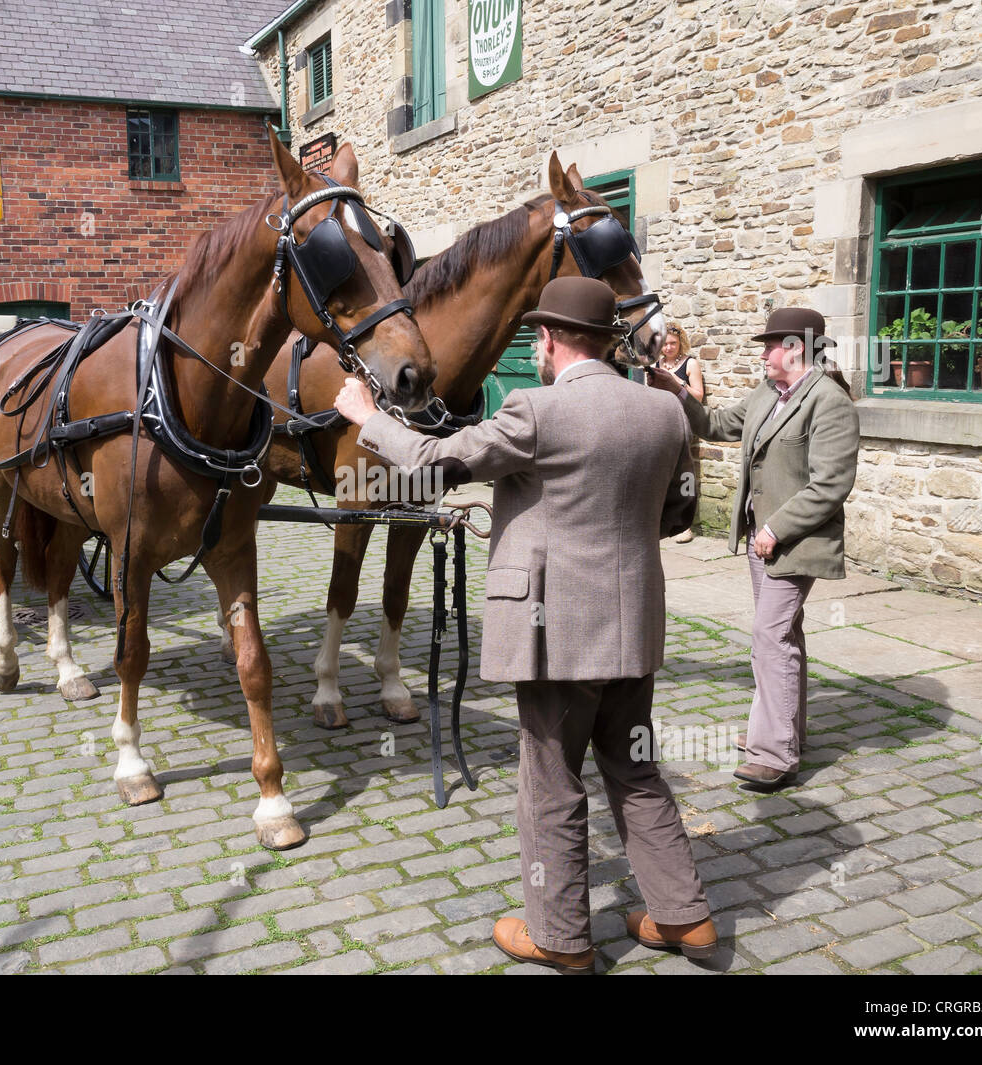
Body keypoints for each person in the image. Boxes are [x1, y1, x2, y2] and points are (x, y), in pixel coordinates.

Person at [335, 276, 716, 973]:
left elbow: (429, 461)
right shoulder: (665, 412)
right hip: (634, 629)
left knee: (550, 781)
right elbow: (681, 514)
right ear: (607, 340)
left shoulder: (534, 410)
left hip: (557, 635)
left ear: (546, 340)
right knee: (633, 768)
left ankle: (562, 936)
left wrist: (368, 413)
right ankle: (684, 914)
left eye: (536, 339)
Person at [648, 307, 860, 791]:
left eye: (770, 345)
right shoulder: (770, 393)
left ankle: (776, 754)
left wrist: (776, 528)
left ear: (797, 348)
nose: (762, 353)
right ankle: (787, 731)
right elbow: (717, 424)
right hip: (761, 540)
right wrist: (677, 390)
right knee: (786, 634)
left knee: (770, 638)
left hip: (794, 542)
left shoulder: (829, 402)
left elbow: (830, 485)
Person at [659, 323, 703, 542]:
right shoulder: (655, 363)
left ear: (680, 343)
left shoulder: (689, 363)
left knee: (683, 472)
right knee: (660, 471)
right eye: (665, 343)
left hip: (682, 421)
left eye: (673, 343)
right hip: (658, 423)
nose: (668, 348)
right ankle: (662, 519)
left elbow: (699, 397)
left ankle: (685, 524)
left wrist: (678, 383)